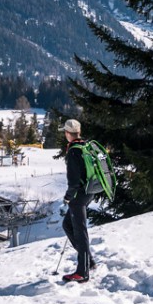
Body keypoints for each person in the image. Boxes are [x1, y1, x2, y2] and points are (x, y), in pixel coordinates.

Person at [61, 118, 94, 282]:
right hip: (89, 192)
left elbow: (73, 180)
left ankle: (83, 271)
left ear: (68, 133)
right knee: (67, 225)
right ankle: (89, 261)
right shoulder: (85, 146)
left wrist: (68, 197)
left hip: (78, 196)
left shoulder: (74, 151)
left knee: (80, 233)